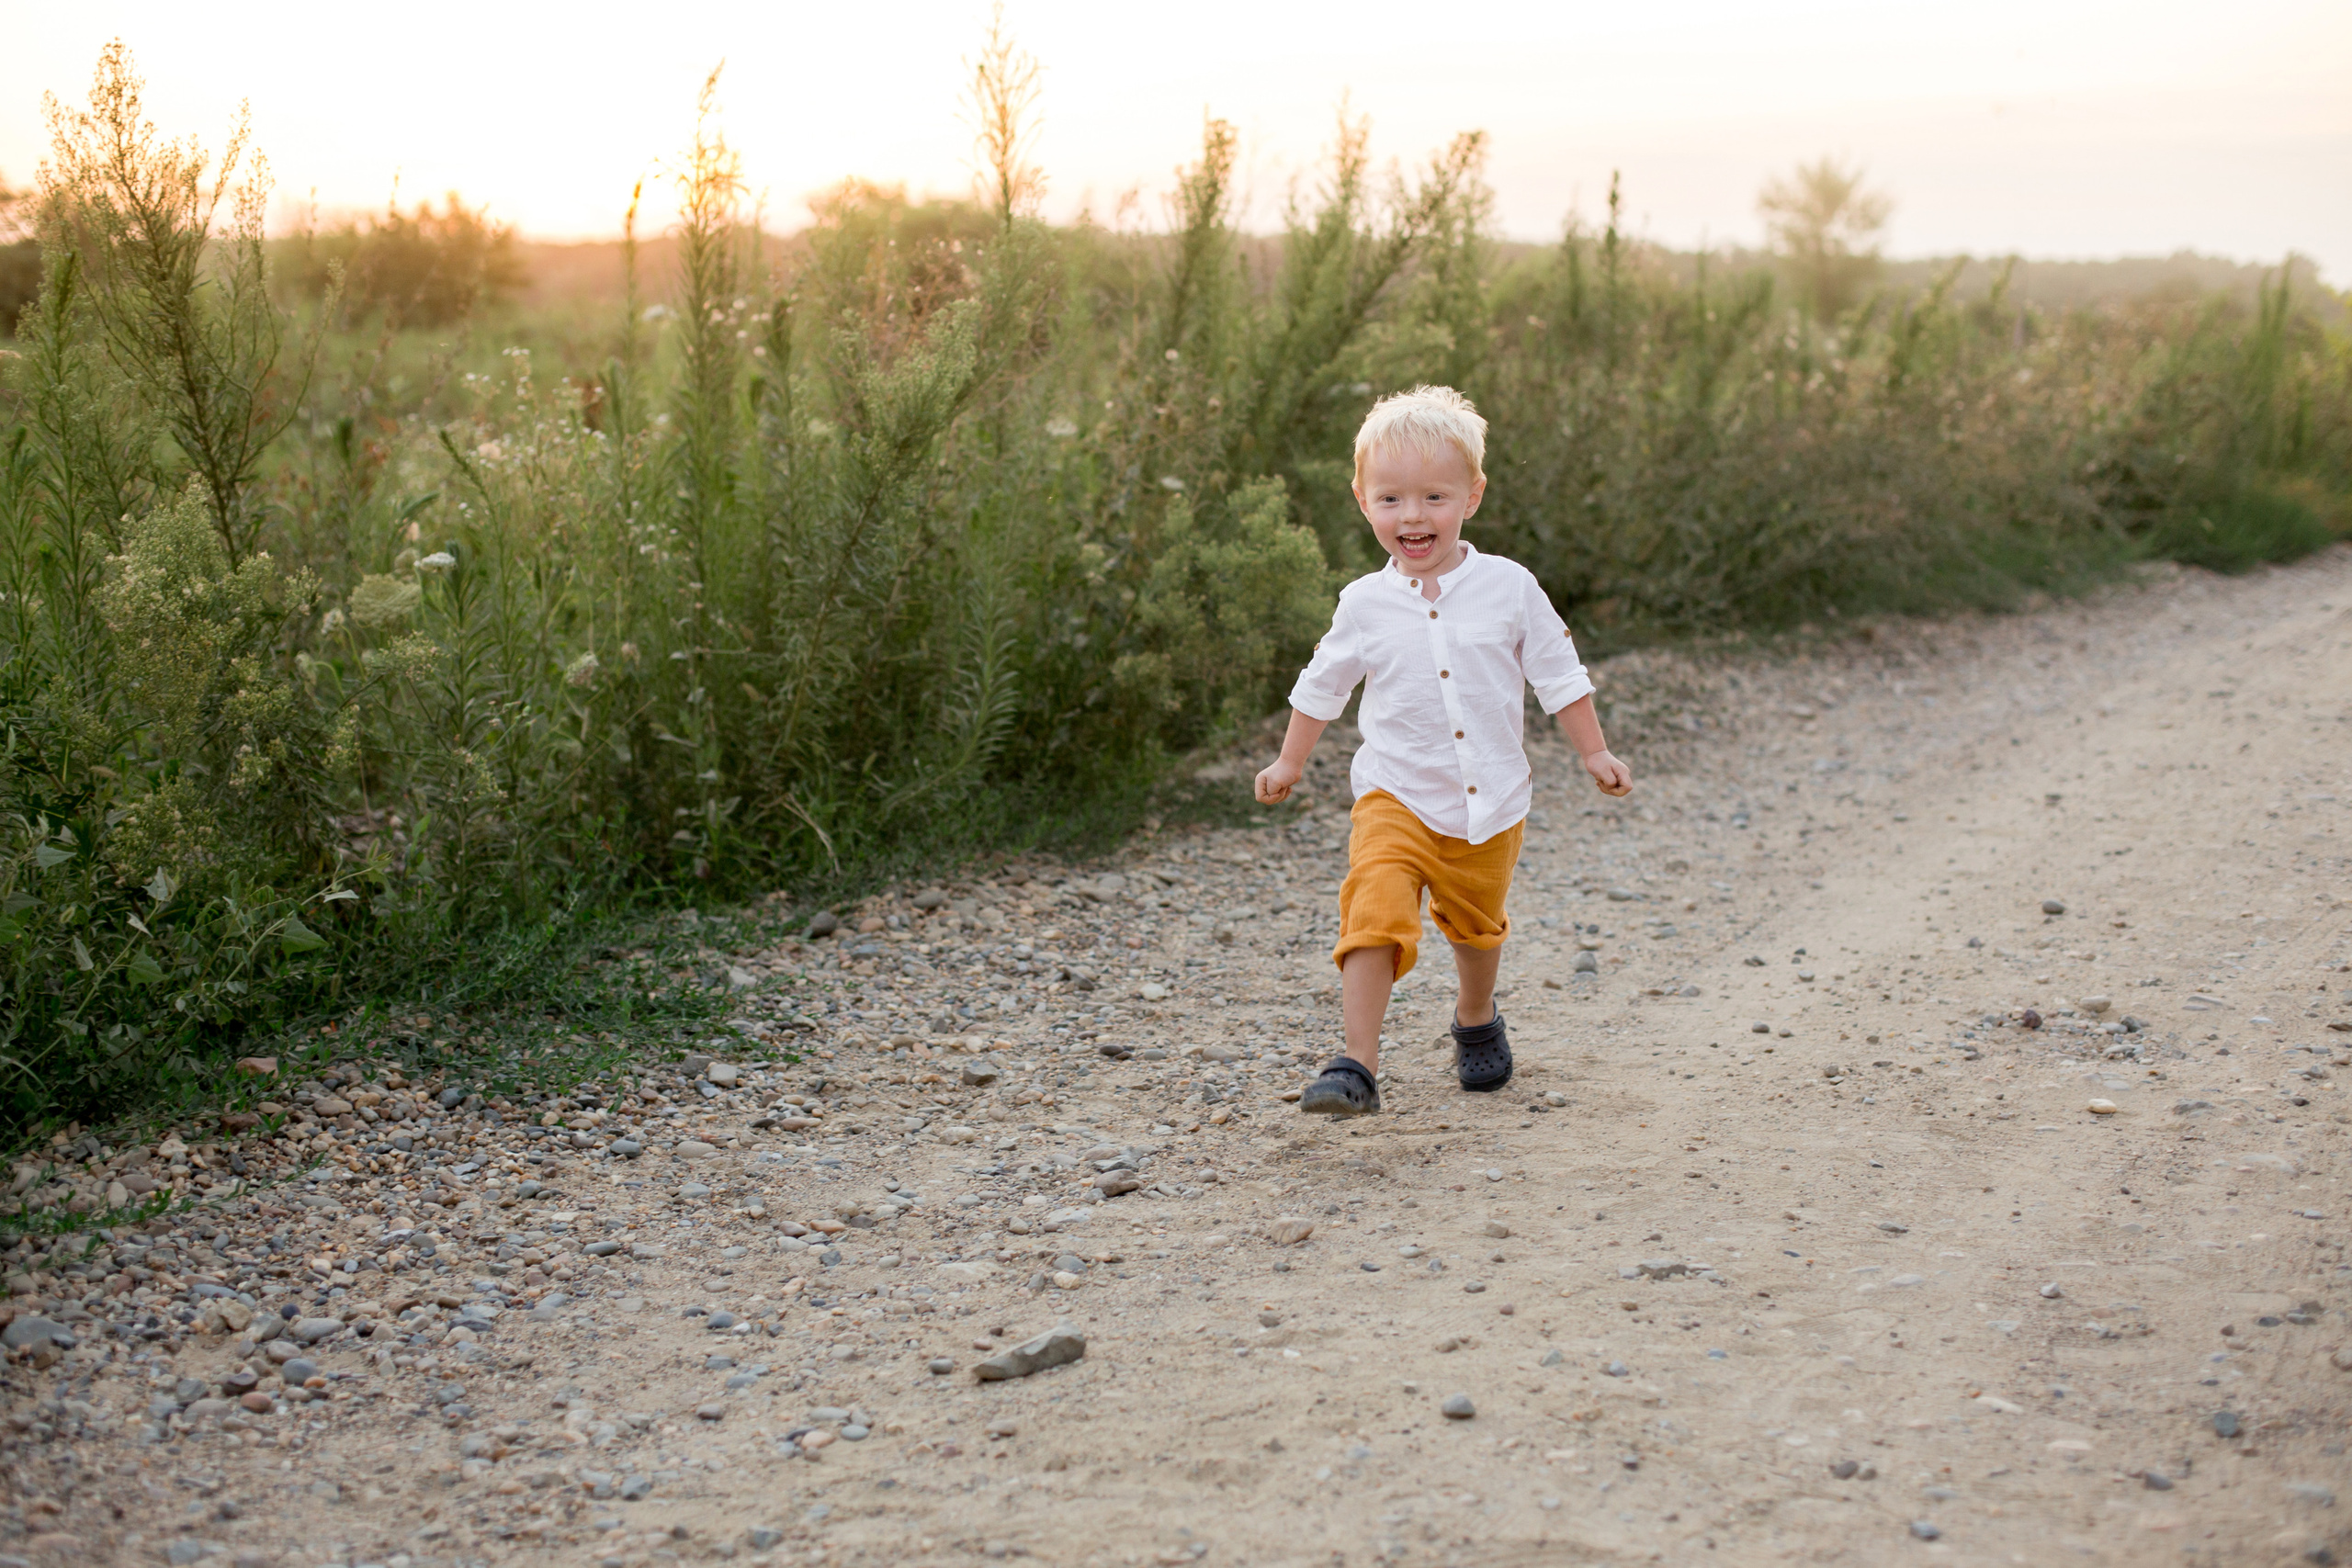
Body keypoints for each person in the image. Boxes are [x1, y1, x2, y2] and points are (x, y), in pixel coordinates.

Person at [1252, 385, 1633, 1115]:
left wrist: (1594, 753)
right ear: (1363, 499)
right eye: (1391, 499)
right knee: (1374, 906)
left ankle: (1475, 1015)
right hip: (1394, 792)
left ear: (1472, 496)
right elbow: (1323, 682)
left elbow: (1558, 669)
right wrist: (1289, 760)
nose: (1413, 516)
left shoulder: (1509, 587)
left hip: (1489, 797)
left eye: (1434, 496)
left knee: (1476, 924)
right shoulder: (1363, 602)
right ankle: (1355, 1063)